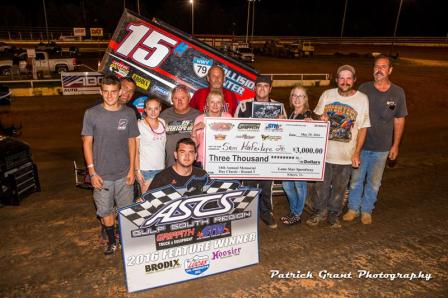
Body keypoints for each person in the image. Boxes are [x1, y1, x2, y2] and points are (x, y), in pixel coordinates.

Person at [343, 55, 408, 225]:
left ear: (390, 70)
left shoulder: (398, 93)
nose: (379, 70)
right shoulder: (364, 88)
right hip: (361, 145)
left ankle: (366, 211)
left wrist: (396, 145)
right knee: (356, 180)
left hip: (382, 148)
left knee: (374, 182)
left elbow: (399, 119)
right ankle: (353, 208)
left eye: (383, 67)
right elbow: (351, 112)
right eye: (376, 67)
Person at [306, 65, 370, 228]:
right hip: (325, 153)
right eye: (341, 78)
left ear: (354, 80)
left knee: (340, 189)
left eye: (349, 78)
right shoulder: (327, 95)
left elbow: (363, 128)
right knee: (321, 187)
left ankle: (334, 215)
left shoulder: (362, 99)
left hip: (346, 155)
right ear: (336, 80)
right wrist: (319, 118)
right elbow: (318, 117)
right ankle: (319, 212)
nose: (345, 81)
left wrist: (357, 153)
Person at [81, 74, 139, 255]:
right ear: (100, 91)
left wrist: (131, 170)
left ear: (119, 91)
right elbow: (86, 143)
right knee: (106, 211)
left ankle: (123, 239)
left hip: (124, 173)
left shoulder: (128, 113)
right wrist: (92, 173)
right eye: (105, 92)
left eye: (113, 92)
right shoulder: (91, 114)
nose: (110, 96)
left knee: (125, 210)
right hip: (102, 175)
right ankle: (112, 241)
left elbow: (132, 142)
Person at [234, 75, 287, 229]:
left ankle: (266, 213)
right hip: (249, 153)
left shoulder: (279, 106)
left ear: (270, 89)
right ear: (254, 88)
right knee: (248, 184)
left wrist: (283, 123)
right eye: (259, 86)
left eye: (266, 86)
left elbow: (284, 132)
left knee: (266, 186)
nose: (262, 88)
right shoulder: (243, 106)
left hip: (268, 153)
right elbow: (235, 130)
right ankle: (245, 213)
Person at [281, 85, 320, 225]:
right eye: (294, 96)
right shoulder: (292, 114)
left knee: (299, 186)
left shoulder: (309, 115)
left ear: (305, 99)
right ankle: (294, 210)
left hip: (302, 160)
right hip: (290, 158)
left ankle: (297, 214)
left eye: (300, 96)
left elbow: (317, 135)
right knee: (287, 185)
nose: (297, 99)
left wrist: (313, 125)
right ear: (291, 98)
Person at [160, 85, 200, 167]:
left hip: (192, 167)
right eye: (176, 98)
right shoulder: (164, 115)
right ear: (172, 100)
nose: (179, 101)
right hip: (170, 166)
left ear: (189, 98)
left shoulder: (198, 116)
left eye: (183, 98)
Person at [191, 90, 233, 168]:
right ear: (207, 104)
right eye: (212, 102)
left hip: (223, 160)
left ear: (222, 104)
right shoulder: (200, 119)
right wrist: (194, 130)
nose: (215, 105)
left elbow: (232, 139)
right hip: (203, 162)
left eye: (218, 102)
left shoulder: (228, 117)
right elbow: (194, 145)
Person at [135, 98, 166, 195]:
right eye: (149, 109)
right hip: (146, 170)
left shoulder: (163, 122)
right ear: (144, 109)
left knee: (158, 200)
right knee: (146, 201)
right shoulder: (139, 125)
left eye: (156, 108)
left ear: (160, 108)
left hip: (161, 168)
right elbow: (135, 150)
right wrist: (137, 171)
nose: (153, 112)